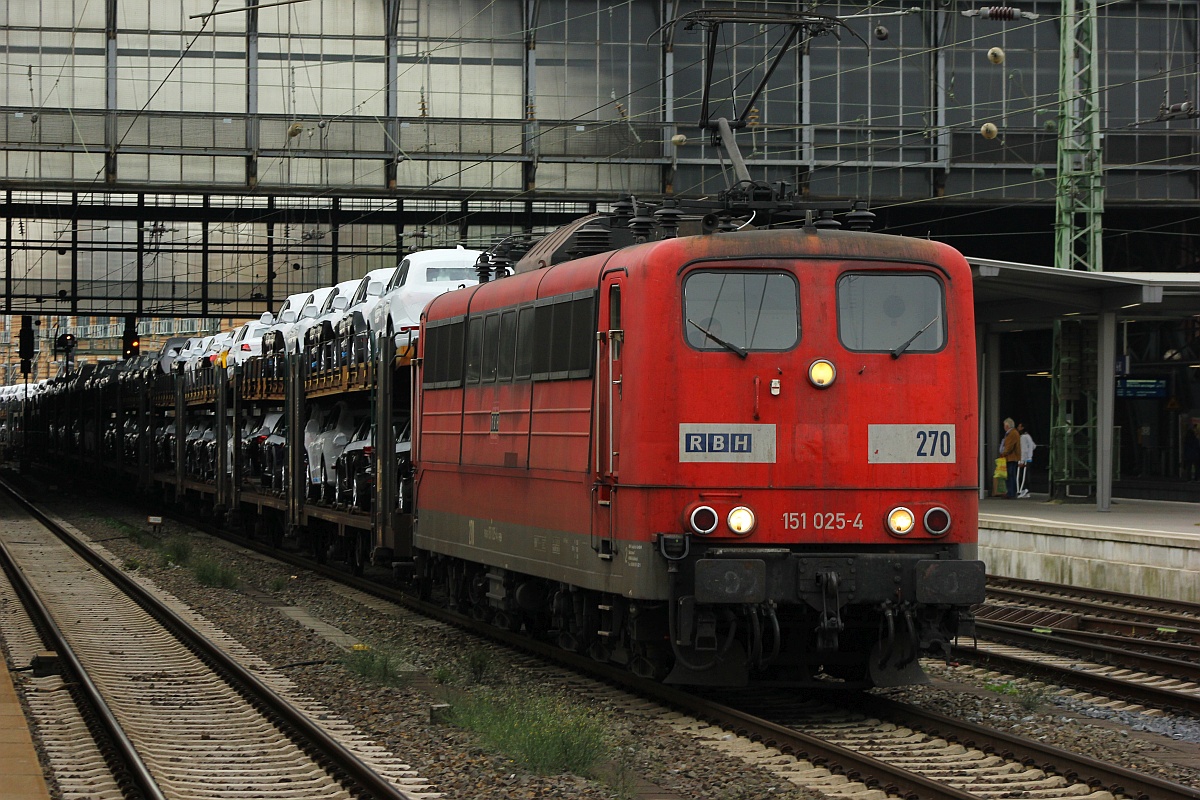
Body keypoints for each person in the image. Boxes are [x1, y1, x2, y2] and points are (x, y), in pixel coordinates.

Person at [1000, 418, 1020, 499]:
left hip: (1011, 457)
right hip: (1012, 457)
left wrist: (1004, 453)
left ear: (1007, 426)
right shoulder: (1013, 433)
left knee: (1010, 475)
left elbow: (1009, 446)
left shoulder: (1012, 433)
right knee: (1011, 475)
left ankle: (1011, 493)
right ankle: (1011, 492)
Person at [1016, 422, 1036, 498]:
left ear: (1022, 428)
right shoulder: (1028, 436)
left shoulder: (1023, 437)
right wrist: (1030, 453)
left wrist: (1021, 461)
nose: (1018, 428)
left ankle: (1022, 490)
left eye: (1019, 426)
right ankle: (1027, 490)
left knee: (1022, 475)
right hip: (1029, 458)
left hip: (1024, 459)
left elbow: (1023, 450)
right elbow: (1033, 446)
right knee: (1027, 475)